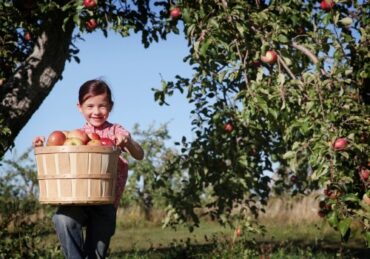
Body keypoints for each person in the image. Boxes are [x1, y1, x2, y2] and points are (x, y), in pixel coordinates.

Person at [33, 79, 144, 259]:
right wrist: (42, 146)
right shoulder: (76, 135)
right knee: (62, 219)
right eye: (90, 106)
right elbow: (62, 160)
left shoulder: (116, 132)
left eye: (102, 106)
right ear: (80, 107)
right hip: (79, 200)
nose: (96, 111)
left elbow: (139, 154)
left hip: (105, 202)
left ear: (110, 106)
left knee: (96, 254)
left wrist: (128, 142)